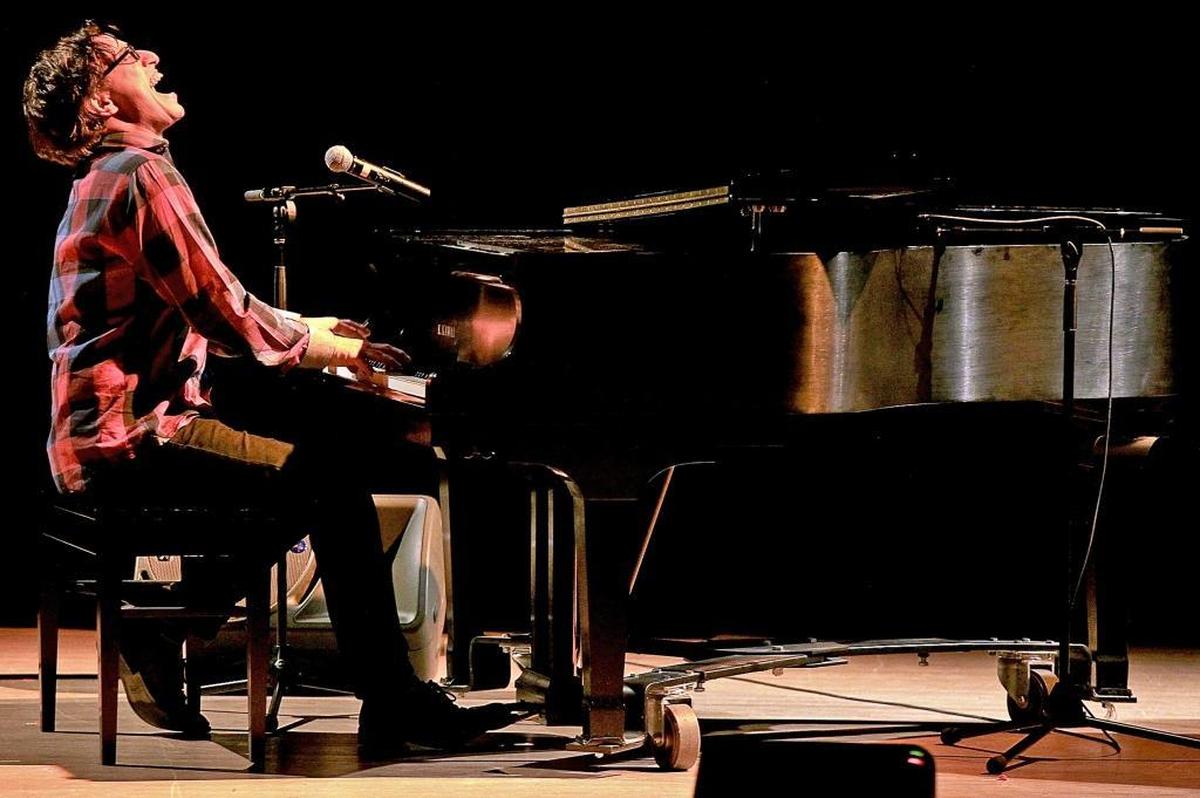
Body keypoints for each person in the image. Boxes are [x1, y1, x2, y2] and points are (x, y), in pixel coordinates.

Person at [23, 20, 521, 754]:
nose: (154, 56)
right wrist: (331, 349)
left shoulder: (109, 177)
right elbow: (227, 316)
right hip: (131, 436)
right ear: (101, 100)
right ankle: (387, 700)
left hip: (104, 433)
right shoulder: (138, 174)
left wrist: (327, 335)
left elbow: (223, 303)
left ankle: (177, 628)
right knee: (328, 472)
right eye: (132, 58)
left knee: (317, 468)